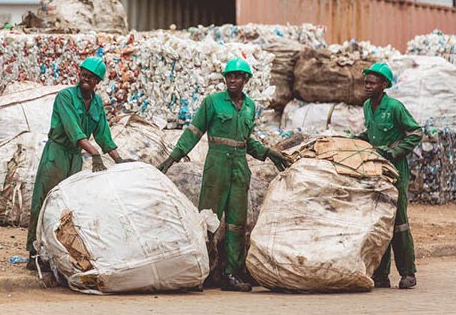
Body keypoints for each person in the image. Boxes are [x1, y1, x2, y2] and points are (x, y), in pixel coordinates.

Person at [157, 58, 291, 292]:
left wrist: (269, 152)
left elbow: (247, 141)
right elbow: (194, 132)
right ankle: (202, 272)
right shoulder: (212, 102)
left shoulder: (249, 106)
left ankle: (230, 274)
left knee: (236, 224)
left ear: (246, 80)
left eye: (238, 76)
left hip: (239, 168)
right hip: (216, 166)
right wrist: (173, 157)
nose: (232, 80)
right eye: (229, 76)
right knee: (208, 220)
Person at [26, 56, 133, 270]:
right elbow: (72, 128)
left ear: (97, 82)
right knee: (44, 200)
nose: (86, 80)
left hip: (75, 156)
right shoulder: (65, 97)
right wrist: (93, 153)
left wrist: (119, 160)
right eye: (84, 75)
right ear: (79, 74)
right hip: (56, 154)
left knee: (68, 207)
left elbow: (103, 133)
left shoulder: (96, 103)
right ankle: (34, 252)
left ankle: (60, 252)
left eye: (91, 78)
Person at [355, 62, 422, 289]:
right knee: (379, 221)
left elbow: (415, 132)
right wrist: (357, 139)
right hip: (375, 170)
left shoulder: (395, 107)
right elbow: (372, 133)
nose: (368, 86)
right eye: (366, 82)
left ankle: (408, 273)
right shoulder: (366, 106)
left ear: (384, 85)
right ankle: (381, 275)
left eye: (373, 83)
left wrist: (395, 151)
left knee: (399, 222)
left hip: (396, 170)